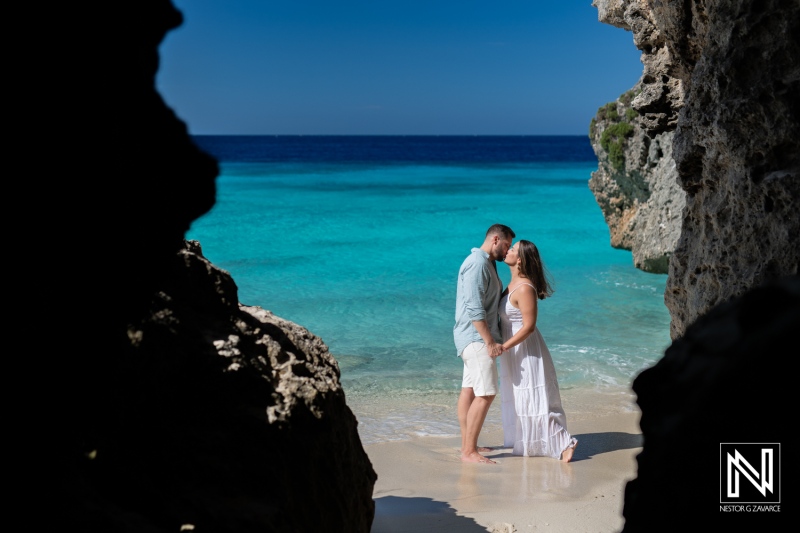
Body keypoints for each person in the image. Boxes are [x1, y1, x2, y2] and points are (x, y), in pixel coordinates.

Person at [498, 239, 578, 462]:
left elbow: (529, 326)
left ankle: (565, 443)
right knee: (520, 398)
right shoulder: (511, 285)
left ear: (520, 259)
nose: (508, 250)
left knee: (535, 396)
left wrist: (503, 346)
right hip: (513, 350)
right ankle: (533, 442)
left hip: (525, 350)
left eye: (512, 249)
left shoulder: (524, 288)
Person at [454, 223, 515, 464]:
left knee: (469, 390)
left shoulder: (486, 263)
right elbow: (474, 307)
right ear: (496, 239)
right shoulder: (478, 263)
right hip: (476, 338)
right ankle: (468, 452)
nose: (507, 251)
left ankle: (468, 444)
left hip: (473, 337)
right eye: (507, 245)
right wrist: (490, 342)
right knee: (487, 392)